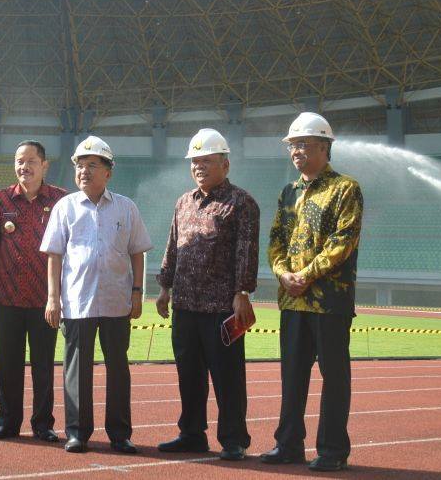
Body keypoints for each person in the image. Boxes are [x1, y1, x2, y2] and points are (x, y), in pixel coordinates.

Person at [260, 112, 362, 472]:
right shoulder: (288, 192)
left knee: (334, 378)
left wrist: (306, 273)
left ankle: (333, 450)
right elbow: (275, 239)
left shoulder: (345, 189)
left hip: (329, 301)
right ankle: (287, 444)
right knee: (292, 376)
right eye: (293, 145)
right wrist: (282, 272)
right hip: (292, 300)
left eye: (303, 144)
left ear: (325, 146)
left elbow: (342, 241)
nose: (296, 151)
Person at [40, 136, 153, 454]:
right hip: (77, 301)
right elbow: (54, 255)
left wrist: (136, 292)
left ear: (108, 172)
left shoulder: (126, 207)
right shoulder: (65, 207)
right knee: (76, 369)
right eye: (79, 165)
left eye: (92, 165)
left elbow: (137, 252)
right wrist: (53, 298)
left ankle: (120, 434)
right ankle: (77, 432)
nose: (84, 171)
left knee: (118, 368)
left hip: (117, 301)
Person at [155, 128, 260, 461]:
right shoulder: (183, 202)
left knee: (227, 376)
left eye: (207, 161)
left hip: (221, 307)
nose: (199, 167)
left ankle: (233, 439)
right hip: (185, 304)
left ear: (225, 165)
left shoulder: (241, 203)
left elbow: (247, 250)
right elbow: (173, 246)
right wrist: (164, 288)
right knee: (189, 374)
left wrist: (242, 291)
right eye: (195, 162)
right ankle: (191, 434)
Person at [0, 140, 67, 443]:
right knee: (8, 364)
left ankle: (43, 424)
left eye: (30, 161)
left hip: (46, 299)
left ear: (45, 165)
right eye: (19, 161)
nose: (23, 167)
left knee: (44, 365)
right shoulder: (2, 199)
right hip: (8, 296)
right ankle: (8, 422)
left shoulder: (61, 200)